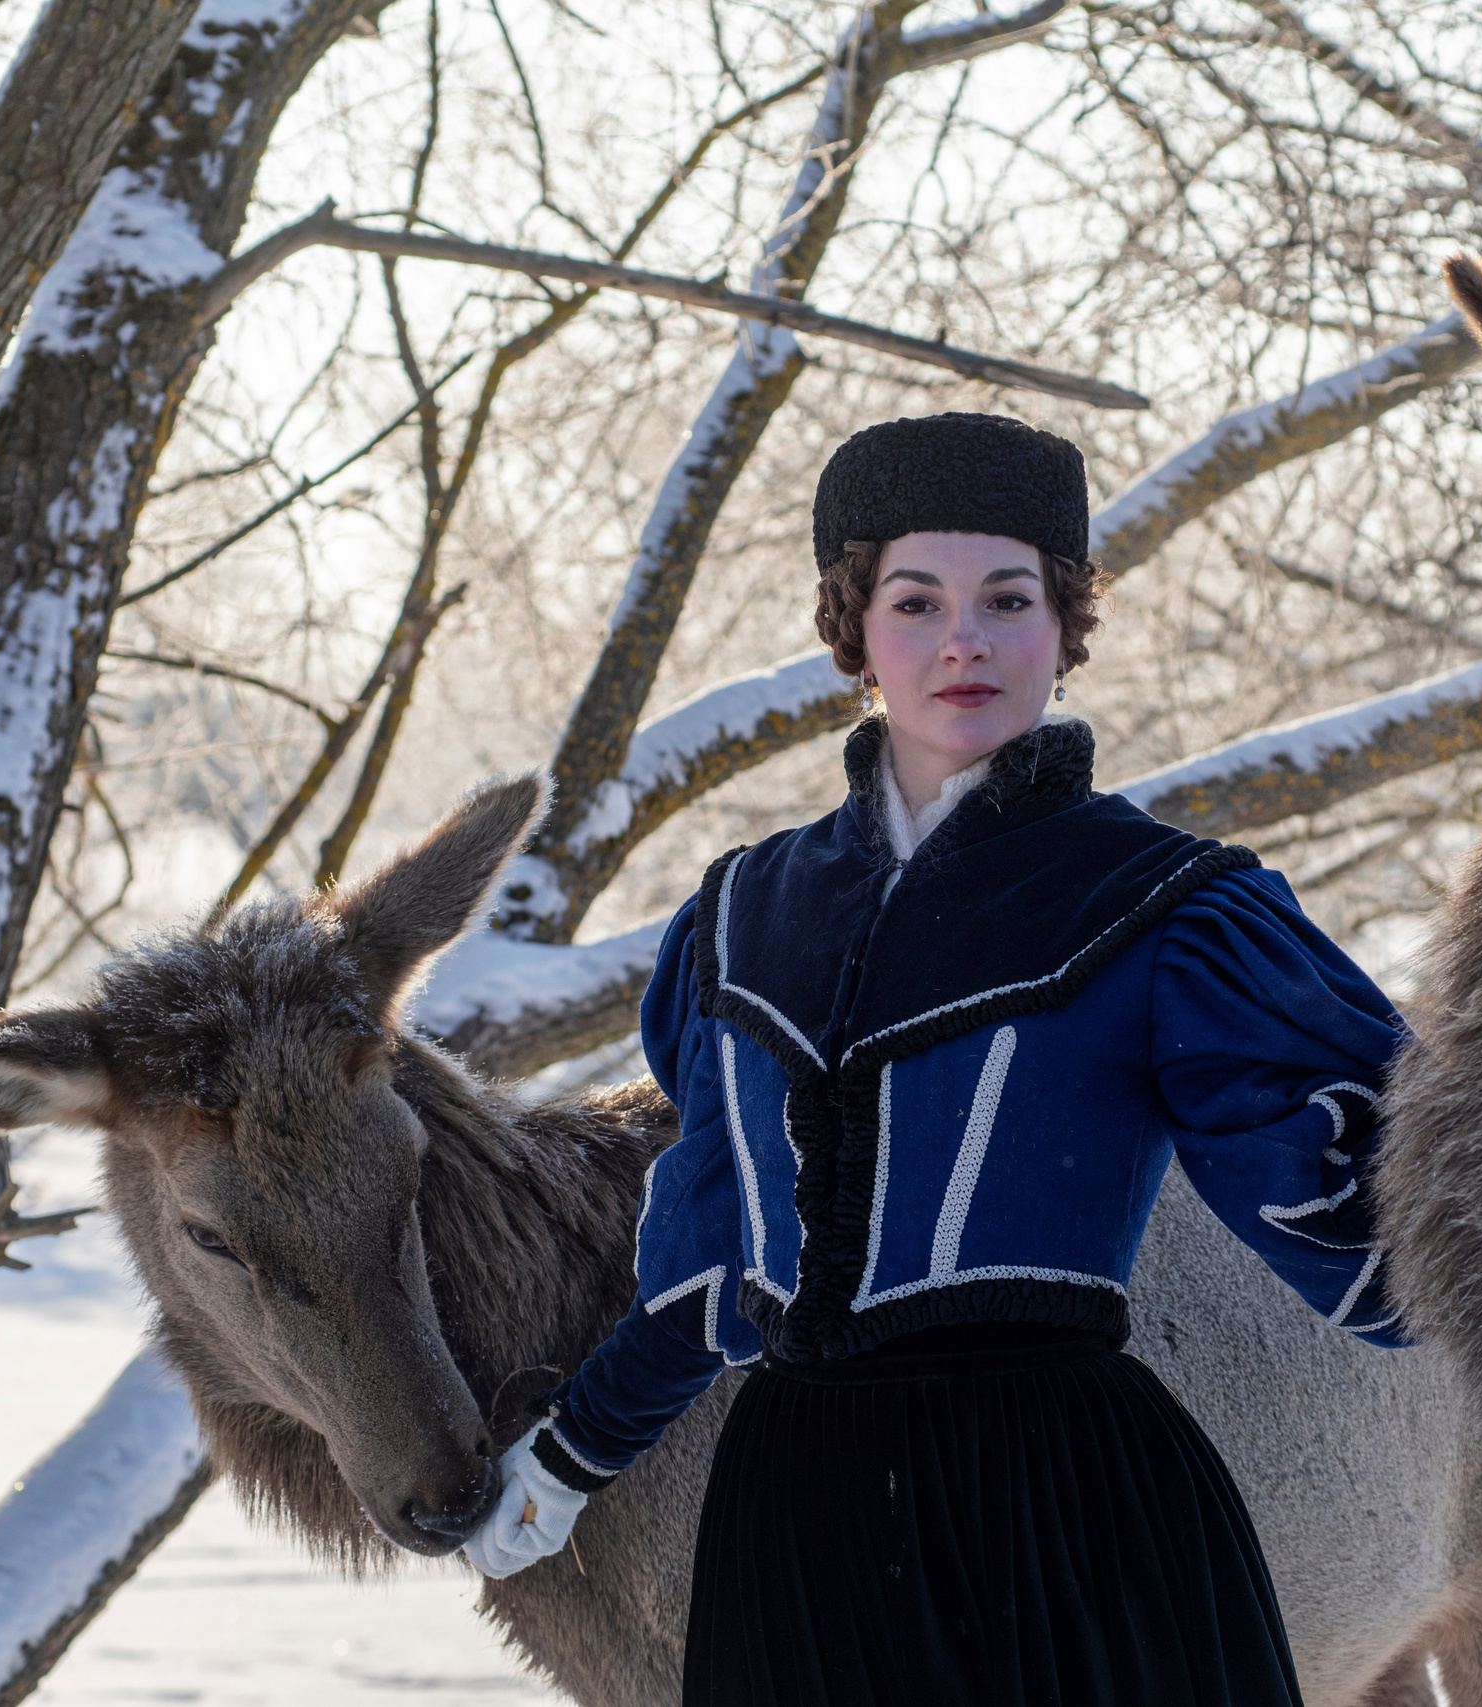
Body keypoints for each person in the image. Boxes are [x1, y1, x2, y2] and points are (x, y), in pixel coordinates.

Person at [465, 413, 1412, 1706]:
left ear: (1066, 628)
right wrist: (571, 1459)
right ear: (854, 633)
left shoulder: (1171, 910)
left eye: (1008, 597)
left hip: (1069, 1512)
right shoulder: (738, 925)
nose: (964, 638)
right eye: (917, 600)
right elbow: (712, 1264)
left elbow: (1389, 1192)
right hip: (795, 1526)